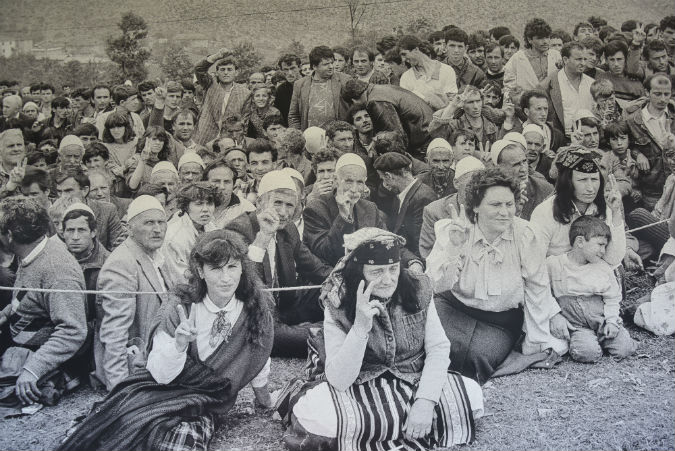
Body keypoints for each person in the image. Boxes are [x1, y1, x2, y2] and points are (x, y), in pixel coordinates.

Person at [57, 230, 274, 451]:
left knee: (179, 443)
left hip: (203, 401)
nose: (226, 278)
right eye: (216, 269)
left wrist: (265, 400)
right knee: (115, 432)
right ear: (200, 271)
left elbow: (258, 356)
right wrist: (178, 345)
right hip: (158, 389)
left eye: (232, 267)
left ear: (242, 268)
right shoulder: (179, 305)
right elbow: (160, 375)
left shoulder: (254, 308)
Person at [277, 228, 483, 451]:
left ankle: (381, 428)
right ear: (358, 272)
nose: (388, 280)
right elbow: (339, 380)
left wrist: (425, 402)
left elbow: (438, 348)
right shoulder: (337, 300)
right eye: (376, 272)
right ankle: (406, 425)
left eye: (393, 269)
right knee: (317, 415)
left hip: (412, 379)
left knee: (473, 396)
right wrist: (360, 328)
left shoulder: (418, 287)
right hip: (360, 386)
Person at [426, 168, 568, 383]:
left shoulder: (525, 234)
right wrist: (454, 248)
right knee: (437, 346)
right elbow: (437, 285)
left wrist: (536, 339)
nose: (504, 212)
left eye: (509, 204)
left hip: (499, 320)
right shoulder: (455, 229)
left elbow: (536, 287)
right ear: (476, 206)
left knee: (477, 358)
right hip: (453, 307)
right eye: (495, 205)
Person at [226, 170, 332, 357]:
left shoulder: (288, 228)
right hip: (254, 316)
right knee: (281, 336)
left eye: (289, 205)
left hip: (283, 309)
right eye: (277, 203)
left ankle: (325, 329)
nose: (283, 212)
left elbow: (315, 268)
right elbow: (243, 284)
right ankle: (328, 332)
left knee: (328, 288)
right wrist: (263, 237)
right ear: (260, 202)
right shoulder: (238, 230)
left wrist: (346, 278)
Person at [0, 198, 87, 407]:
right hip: (18, 347)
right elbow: (28, 297)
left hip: (45, 360)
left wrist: (32, 369)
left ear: (10, 236)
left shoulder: (57, 270)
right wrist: (5, 314)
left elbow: (73, 330)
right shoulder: (31, 253)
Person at [94, 195, 169, 391]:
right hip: (137, 367)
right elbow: (115, 333)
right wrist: (120, 390)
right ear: (129, 228)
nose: (157, 229)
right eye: (149, 223)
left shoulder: (156, 255)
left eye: (161, 222)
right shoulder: (122, 262)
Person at [546, 215, 636, 363]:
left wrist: (611, 321)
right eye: (600, 244)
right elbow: (542, 291)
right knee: (587, 354)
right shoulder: (554, 264)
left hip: (602, 320)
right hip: (577, 325)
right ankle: (588, 343)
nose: (603, 251)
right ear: (580, 242)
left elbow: (612, 298)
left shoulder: (602, 268)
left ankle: (608, 339)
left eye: (605, 246)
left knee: (624, 349)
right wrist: (553, 315)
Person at [530, 147, 627, 269]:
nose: (590, 188)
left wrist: (616, 212)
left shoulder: (604, 207)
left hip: (593, 275)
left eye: (594, 179)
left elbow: (614, 258)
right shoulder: (545, 212)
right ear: (568, 182)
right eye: (582, 180)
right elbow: (534, 262)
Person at [303, 153, 389, 266]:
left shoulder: (370, 208)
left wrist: (410, 261)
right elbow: (326, 253)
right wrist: (343, 217)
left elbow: (387, 242)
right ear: (335, 180)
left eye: (359, 182)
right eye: (349, 181)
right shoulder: (316, 209)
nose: (354, 189)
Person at [61, 202, 111, 356]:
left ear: (93, 232)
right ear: (63, 233)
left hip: (97, 338)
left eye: (81, 230)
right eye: (70, 230)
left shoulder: (109, 264)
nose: (75, 237)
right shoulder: (56, 260)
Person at [341, 78, 434, 160]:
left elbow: (395, 136)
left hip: (424, 137)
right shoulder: (378, 89)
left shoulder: (376, 101)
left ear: (354, 101)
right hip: (428, 128)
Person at [419, 155, 485, 258]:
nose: (477, 190)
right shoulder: (434, 211)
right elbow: (428, 254)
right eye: (471, 184)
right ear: (456, 183)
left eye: (482, 185)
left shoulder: (491, 207)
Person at [625, 74, 675, 210]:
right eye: (657, 94)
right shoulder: (633, 121)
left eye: (666, 94)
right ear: (647, 92)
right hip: (651, 190)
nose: (663, 99)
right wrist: (637, 154)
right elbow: (625, 146)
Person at [374, 152, 436, 260]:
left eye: (383, 179)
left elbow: (421, 245)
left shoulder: (423, 198)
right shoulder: (401, 194)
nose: (385, 184)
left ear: (389, 176)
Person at [160, 182, 219, 290]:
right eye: (199, 204)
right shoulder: (173, 237)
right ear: (186, 206)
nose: (205, 209)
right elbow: (180, 281)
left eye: (209, 203)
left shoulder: (212, 227)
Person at [194, 49, 250, 145]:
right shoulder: (210, 84)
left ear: (236, 72)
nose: (226, 72)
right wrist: (216, 56)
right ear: (217, 72)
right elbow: (198, 69)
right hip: (205, 136)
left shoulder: (245, 93)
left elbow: (245, 121)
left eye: (229, 69)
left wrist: (238, 142)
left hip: (229, 139)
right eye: (222, 69)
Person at [288, 45, 351, 130]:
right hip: (310, 136)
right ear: (314, 67)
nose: (331, 66)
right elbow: (293, 116)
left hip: (339, 135)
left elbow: (355, 108)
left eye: (331, 63)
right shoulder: (300, 84)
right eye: (326, 64)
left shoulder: (345, 80)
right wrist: (299, 134)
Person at [541, 41, 594, 137]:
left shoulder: (592, 83)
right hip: (562, 138)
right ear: (565, 60)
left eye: (585, 59)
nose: (583, 63)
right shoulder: (549, 84)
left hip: (589, 138)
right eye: (578, 59)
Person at [398, 34, 458, 109]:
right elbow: (407, 107)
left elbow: (452, 102)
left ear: (416, 50)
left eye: (404, 54)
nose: (403, 59)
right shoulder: (405, 77)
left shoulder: (447, 70)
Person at [504, 18, 562, 92]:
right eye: (540, 38)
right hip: (525, 98)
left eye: (547, 37)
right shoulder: (517, 59)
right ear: (529, 40)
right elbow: (509, 89)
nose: (545, 41)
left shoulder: (556, 55)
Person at [203, 158, 256, 228]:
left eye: (227, 182)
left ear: (233, 184)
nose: (222, 187)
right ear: (205, 182)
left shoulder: (246, 209)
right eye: (216, 181)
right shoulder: (195, 206)